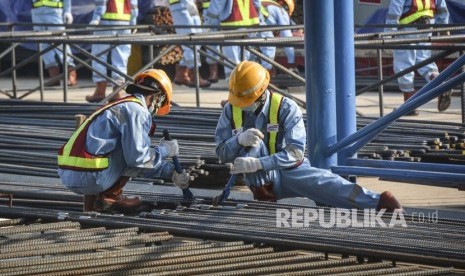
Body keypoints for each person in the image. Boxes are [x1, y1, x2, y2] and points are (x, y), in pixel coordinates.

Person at [215, 61, 402, 210]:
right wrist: (238, 140)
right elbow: (221, 152)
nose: (242, 105)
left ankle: (378, 202)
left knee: (326, 184)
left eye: (246, 100)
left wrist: (258, 163)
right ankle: (265, 199)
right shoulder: (231, 110)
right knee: (254, 145)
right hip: (260, 180)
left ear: (262, 93)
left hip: (291, 170)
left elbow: (295, 153)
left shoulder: (285, 108)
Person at [58, 69, 191, 213]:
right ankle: (111, 197)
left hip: (70, 175)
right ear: (157, 96)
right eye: (160, 103)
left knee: (112, 148)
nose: (156, 109)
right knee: (131, 151)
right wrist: (166, 151)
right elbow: (138, 158)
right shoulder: (137, 111)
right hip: (92, 178)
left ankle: (90, 206)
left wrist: (169, 171)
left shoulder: (119, 105)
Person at [385, 0, 450, 115]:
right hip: (427, 25)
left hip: (407, 27)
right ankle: (441, 85)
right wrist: (444, 26)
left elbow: (395, 8)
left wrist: (389, 33)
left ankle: (409, 105)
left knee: (404, 65)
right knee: (424, 60)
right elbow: (442, 6)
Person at [85, 0, 138, 103]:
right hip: (125, 21)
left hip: (106, 20)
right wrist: (133, 21)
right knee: (121, 57)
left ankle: (100, 90)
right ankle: (118, 91)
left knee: (99, 55)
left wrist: (96, 17)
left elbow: (101, 2)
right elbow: (134, 4)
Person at [204, 0, 261, 79]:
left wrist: (209, 24)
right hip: (250, 22)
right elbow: (257, 3)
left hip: (232, 23)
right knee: (245, 56)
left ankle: (234, 82)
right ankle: (245, 81)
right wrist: (258, 16)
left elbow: (217, 6)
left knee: (232, 57)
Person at [31, 0, 77, 86]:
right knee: (42, 45)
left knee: (60, 42)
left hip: (53, 12)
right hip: (37, 12)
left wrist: (67, 11)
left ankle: (71, 75)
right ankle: (54, 77)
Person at [169, 0, 211, 87]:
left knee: (196, 40)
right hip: (180, 4)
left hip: (189, 4)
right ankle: (194, 76)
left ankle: (181, 74)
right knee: (190, 43)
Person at [260, 0, 298, 74]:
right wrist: (291, 62)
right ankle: (265, 75)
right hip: (261, 25)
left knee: (248, 50)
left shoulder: (268, 4)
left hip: (250, 22)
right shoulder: (281, 10)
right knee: (269, 47)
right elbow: (287, 38)